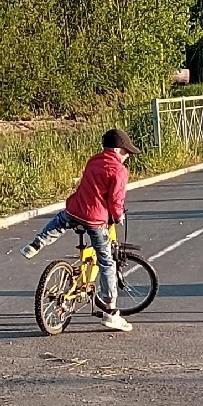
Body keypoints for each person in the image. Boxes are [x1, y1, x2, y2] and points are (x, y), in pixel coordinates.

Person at [23, 129, 137, 333]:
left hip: (75, 210)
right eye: (127, 152)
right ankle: (111, 312)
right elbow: (116, 199)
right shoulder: (119, 170)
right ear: (120, 150)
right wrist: (118, 216)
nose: (127, 156)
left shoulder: (93, 160)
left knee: (59, 221)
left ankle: (36, 244)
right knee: (106, 261)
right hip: (95, 219)